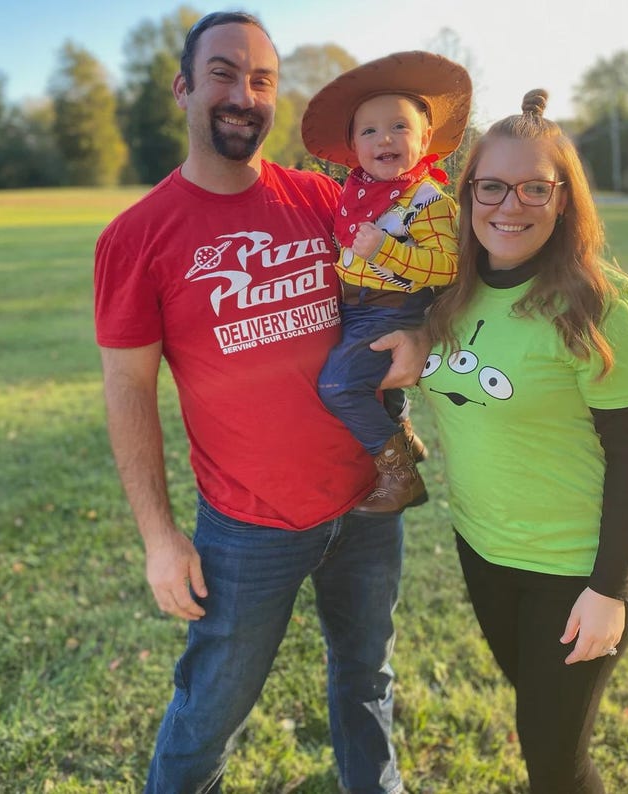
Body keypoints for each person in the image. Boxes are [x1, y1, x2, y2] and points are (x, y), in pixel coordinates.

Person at [94, 12, 421, 794]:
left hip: (370, 500)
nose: (244, 94)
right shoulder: (136, 237)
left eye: (262, 79)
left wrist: (419, 333)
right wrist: (159, 536)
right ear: (182, 89)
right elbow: (129, 389)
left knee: (367, 678)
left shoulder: (323, 201)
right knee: (209, 710)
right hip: (249, 529)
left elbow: (410, 275)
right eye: (223, 74)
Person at [420, 89, 628, 793]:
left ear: (564, 199)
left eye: (534, 187)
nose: (510, 205)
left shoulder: (602, 303)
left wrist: (608, 590)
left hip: (575, 566)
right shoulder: (449, 291)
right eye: (491, 186)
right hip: (484, 548)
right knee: (538, 711)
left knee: (553, 761)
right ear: (466, 195)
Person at [301, 52, 472, 514]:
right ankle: (407, 438)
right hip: (358, 305)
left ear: (425, 139)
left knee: (338, 386)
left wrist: (385, 251)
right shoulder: (356, 192)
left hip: (392, 306)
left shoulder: (426, 198)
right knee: (378, 382)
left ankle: (399, 473)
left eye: (399, 127)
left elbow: (448, 267)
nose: (385, 139)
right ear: (354, 145)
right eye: (369, 131)